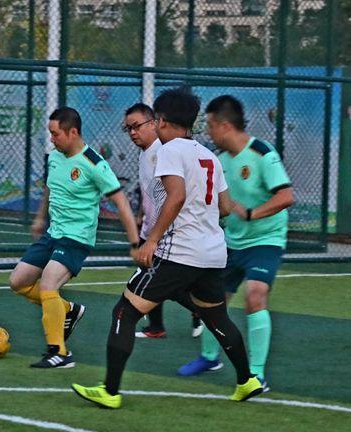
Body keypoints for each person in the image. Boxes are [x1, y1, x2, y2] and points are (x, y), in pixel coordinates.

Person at [72, 88, 263, 409]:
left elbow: (176, 196)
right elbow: (225, 207)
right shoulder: (209, 156)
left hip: (180, 251)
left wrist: (151, 240)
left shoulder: (170, 150)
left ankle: (110, 391)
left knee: (124, 312)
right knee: (216, 317)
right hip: (212, 253)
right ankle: (247, 380)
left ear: (161, 120)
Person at [177, 95, 293, 391]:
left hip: (265, 240)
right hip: (231, 243)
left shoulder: (262, 154)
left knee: (255, 295)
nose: (208, 131)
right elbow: (218, 203)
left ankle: (256, 374)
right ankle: (209, 358)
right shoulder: (220, 161)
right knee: (210, 300)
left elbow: (286, 196)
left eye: (210, 125)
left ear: (225, 125)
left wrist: (252, 213)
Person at [9, 107, 139, 369]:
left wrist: (135, 243)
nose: (52, 139)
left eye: (55, 134)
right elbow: (50, 187)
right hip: (53, 234)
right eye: (50, 133)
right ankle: (67, 309)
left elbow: (121, 203)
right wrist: (39, 217)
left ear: (73, 132)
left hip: (76, 238)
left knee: (48, 283)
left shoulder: (94, 164)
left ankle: (59, 353)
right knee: (18, 281)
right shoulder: (55, 157)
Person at [123, 103, 204, 340]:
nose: (132, 132)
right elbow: (150, 190)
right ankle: (157, 327)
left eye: (137, 126)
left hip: (165, 233)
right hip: (150, 230)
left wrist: (158, 233)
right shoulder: (144, 152)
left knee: (160, 281)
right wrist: (141, 215)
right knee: (150, 275)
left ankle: (199, 309)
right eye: (128, 128)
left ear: (153, 123)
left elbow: (176, 194)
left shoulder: (164, 151)